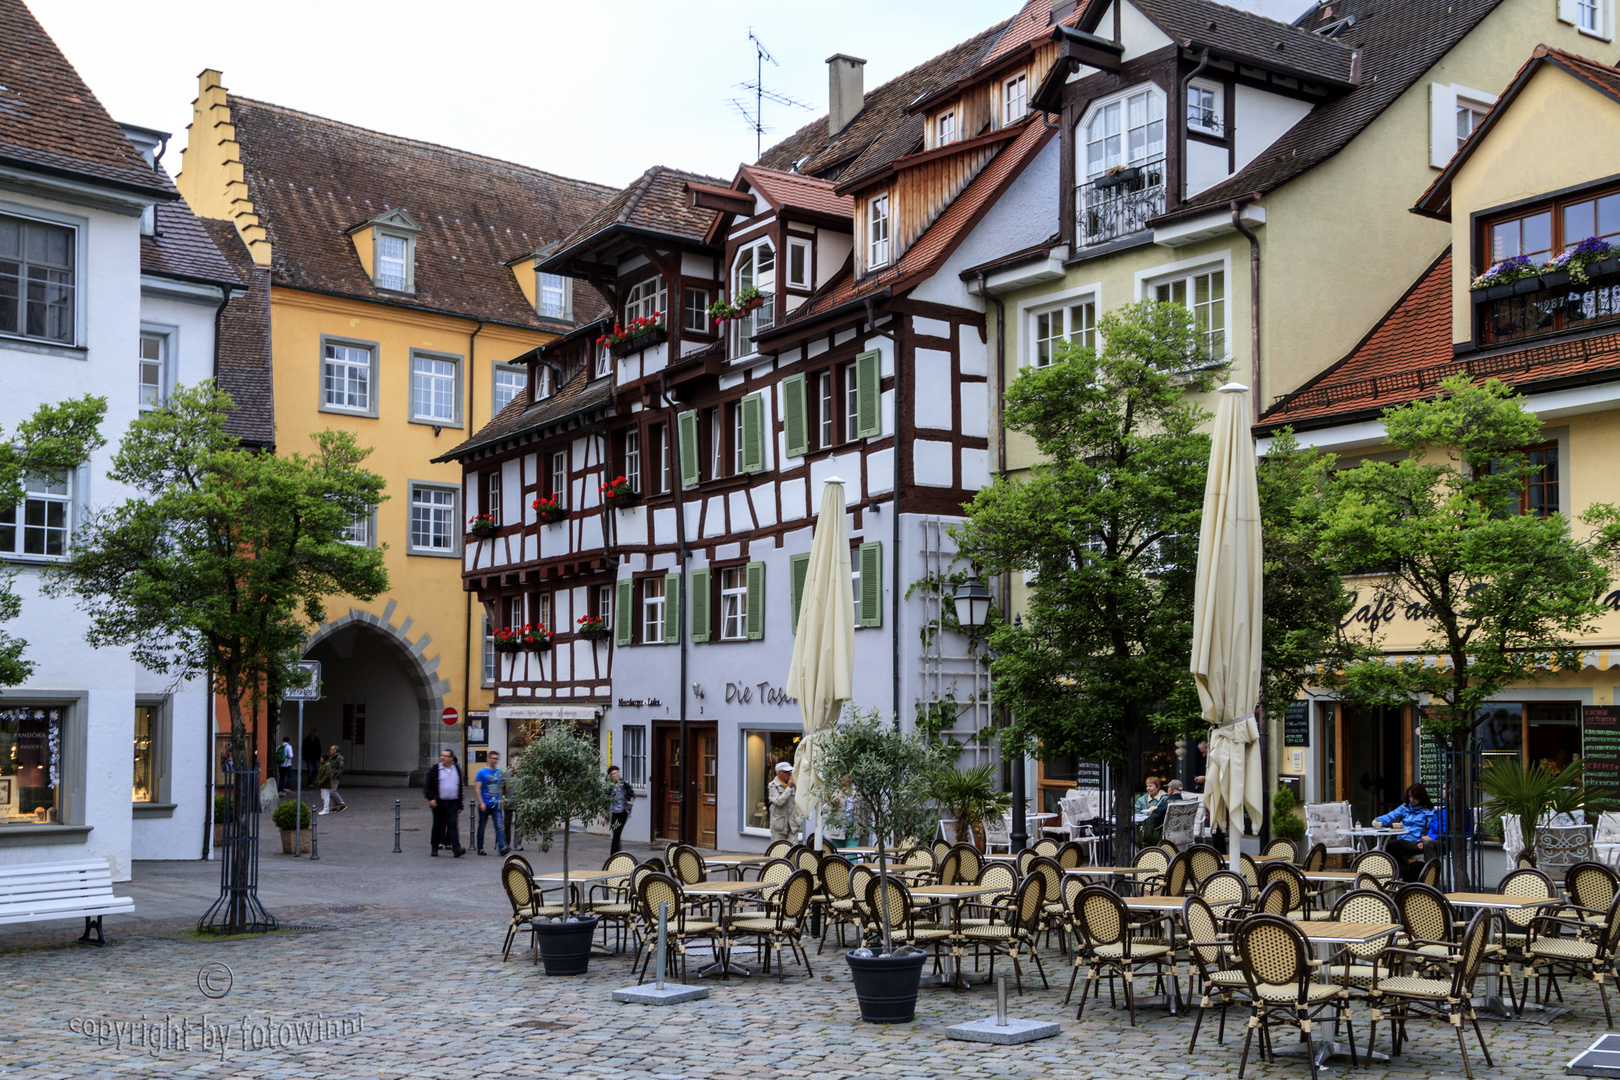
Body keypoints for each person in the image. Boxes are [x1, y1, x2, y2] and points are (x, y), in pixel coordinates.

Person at [1374, 783, 1436, 881]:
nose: (1412, 800)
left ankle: (1402, 874)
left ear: (1421, 797)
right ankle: (1403, 874)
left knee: (1392, 845)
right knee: (1388, 846)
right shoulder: (1405, 807)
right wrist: (1378, 821)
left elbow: (1432, 827)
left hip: (1417, 841)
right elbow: (1391, 816)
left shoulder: (1429, 811)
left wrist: (1426, 839)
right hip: (1403, 840)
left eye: (1415, 797)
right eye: (1410, 797)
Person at [423, 748, 466, 857]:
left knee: (453, 825)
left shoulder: (456, 769)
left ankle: (456, 848)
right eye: (442, 755)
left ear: (451, 758)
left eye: (446, 756)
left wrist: (460, 804)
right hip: (439, 803)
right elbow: (428, 785)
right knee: (437, 825)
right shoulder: (435, 769)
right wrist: (431, 798)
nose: (443, 757)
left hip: (453, 803)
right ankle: (434, 847)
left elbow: (460, 787)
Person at [474, 752, 507, 856]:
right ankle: (480, 848)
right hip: (485, 803)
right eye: (492, 758)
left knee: (499, 826)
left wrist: (501, 802)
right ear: (488, 759)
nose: (494, 760)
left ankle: (502, 847)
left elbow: (500, 788)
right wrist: (481, 802)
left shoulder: (499, 772)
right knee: (482, 827)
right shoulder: (481, 772)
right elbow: (477, 789)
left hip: (496, 804)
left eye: (496, 758)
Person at [768, 761, 801, 843]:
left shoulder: (794, 785)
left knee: (793, 851)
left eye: (790, 772)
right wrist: (789, 788)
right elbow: (779, 802)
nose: (789, 774)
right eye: (786, 772)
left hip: (793, 824)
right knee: (778, 851)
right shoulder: (773, 785)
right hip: (779, 826)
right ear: (779, 773)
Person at [605, 765, 634, 854]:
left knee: (618, 834)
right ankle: (614, 854)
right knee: (616, 834)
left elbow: (631, 794)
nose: (617, 774)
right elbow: (605, 800)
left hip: (623, 813)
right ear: (611, 776)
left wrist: (630, 804)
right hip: (614, 813)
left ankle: (616, 853)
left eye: (617, 772)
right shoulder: (609, 787)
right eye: (614, 773)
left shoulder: (624, 784)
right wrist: (603, 815)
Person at [315, 746, 347, 815]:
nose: (330, 751)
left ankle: (342, 804)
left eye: (331, 749)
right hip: (332, 776)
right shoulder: (332, 758)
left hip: (335, 777)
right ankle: (335, 806)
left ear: (335, 750)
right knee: (330, 791)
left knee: (332, 791)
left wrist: (337, 775)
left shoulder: (339, 758)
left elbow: (341, 768)